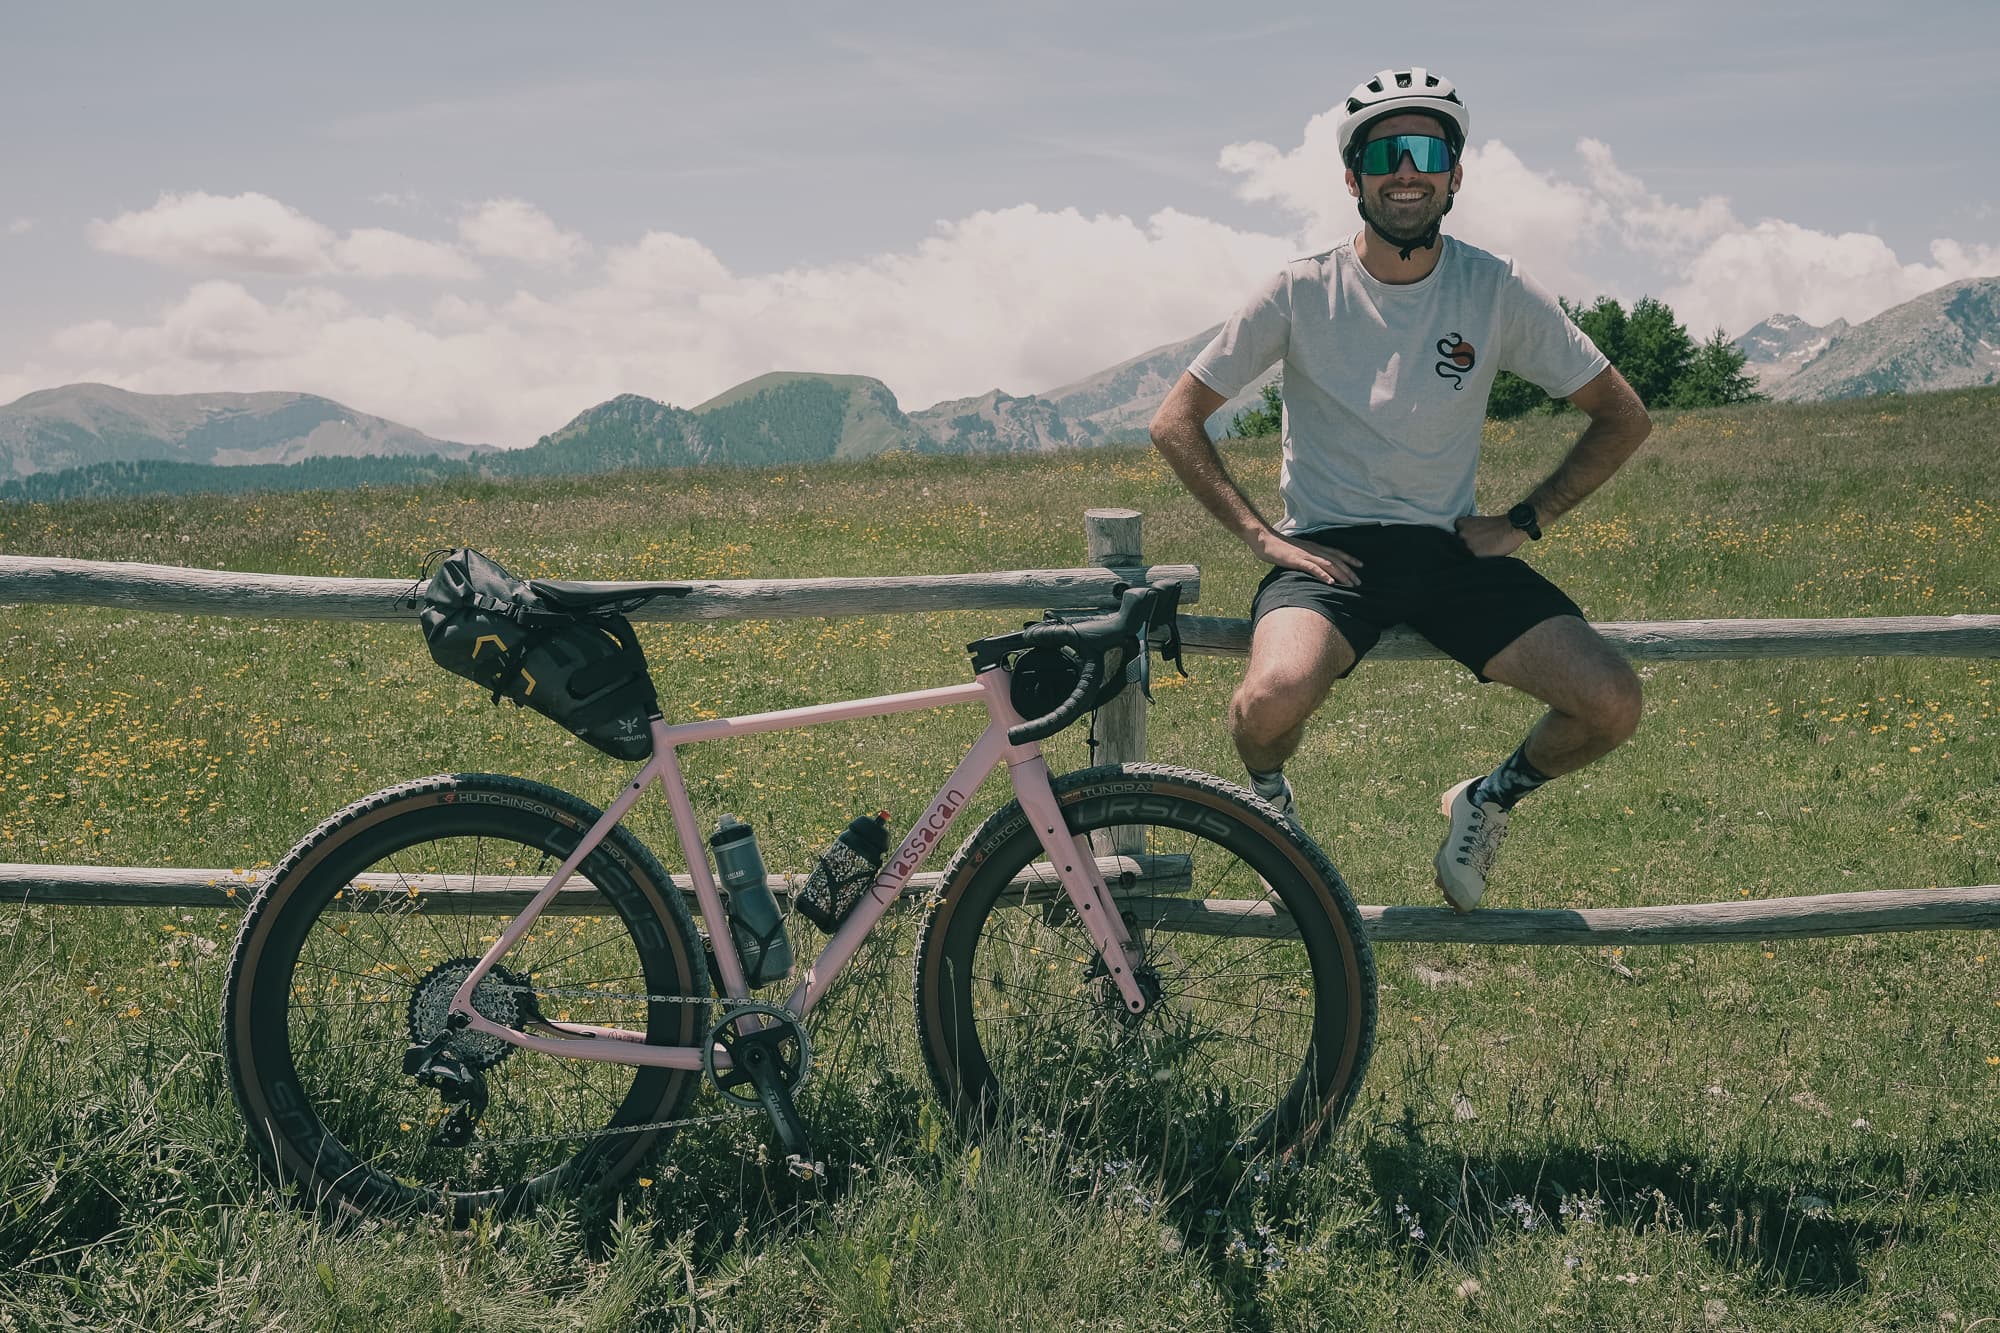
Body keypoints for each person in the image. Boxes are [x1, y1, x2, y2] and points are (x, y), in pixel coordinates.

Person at [1148, 67, 1652, 912]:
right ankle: (1279, 822)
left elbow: (1622, 415)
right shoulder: (1300, 288)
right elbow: (1175, 419)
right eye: (1385, 152)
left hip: (1448, 547)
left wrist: (1527, 519)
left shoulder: (1493, 289)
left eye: (1427, 150)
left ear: (1456, 174)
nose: (1406, 169)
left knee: (1611, 702)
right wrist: (1264, 541)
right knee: (1264, 705)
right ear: (1354, 178)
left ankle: (1487, 798)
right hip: (1327, 545)